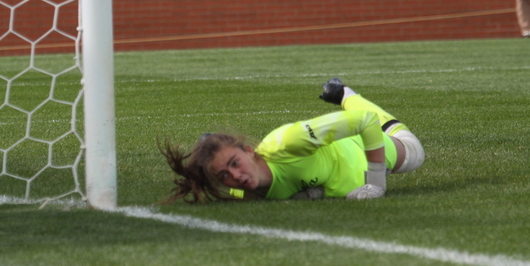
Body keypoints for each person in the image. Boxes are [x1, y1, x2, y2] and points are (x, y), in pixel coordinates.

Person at [160, 78, 425, 203]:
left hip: (365, 148)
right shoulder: (245, 191)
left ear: (249, 150)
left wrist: (375, 183)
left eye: (235, 162)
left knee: (410, 146)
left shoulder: (287, 142)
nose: (236, 176)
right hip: (343, 176)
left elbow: (365, 121)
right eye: (224, 175)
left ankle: (345, 94)